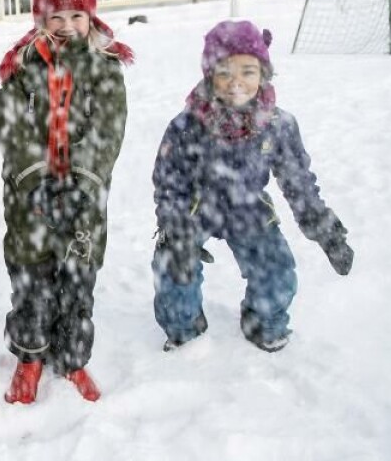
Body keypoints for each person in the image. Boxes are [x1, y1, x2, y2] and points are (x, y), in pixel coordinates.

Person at [151, 19, 354, 354]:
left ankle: (263, 320)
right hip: (196, 207)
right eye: (224, 72)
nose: (236, 83)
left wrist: (326, 230)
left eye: (247, 71)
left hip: (248, 205)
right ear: (209, 76)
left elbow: (299, 182)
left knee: (277, 270)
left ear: (264, 73)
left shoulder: (277, 125)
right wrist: (176, 230)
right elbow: (169, 180)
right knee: (174, 267)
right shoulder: (187, 124)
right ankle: (183, 326)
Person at [0, 0, 132, 405]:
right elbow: (8, 120)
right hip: (27, 197)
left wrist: (80, 185)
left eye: (76, 16)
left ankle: (73, 357)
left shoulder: (105, 66)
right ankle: (30, 355)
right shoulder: (24, 63)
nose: (67, 26)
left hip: (83, 200)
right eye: (56, 17)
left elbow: (109, 127)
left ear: (90, 16)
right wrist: (35, 180)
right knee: (32, 279)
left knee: (77, 279)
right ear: (41, 18)